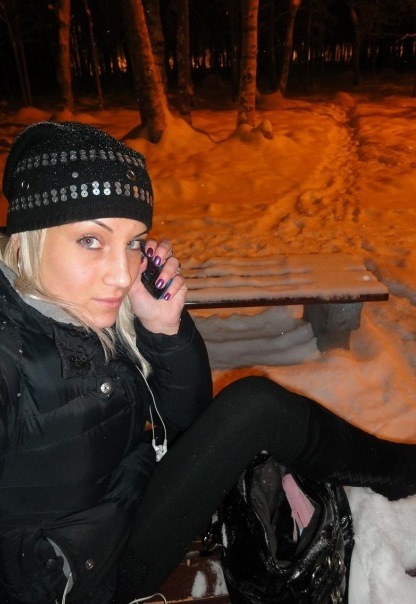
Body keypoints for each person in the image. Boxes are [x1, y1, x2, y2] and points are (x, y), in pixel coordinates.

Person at [0, 121, 415, 604]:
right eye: (91, 240)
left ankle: (402, 471)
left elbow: (186, 417)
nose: (121, 274)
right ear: (31, 234)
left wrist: (163, 329)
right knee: (257, 408)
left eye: (133, 242)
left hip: (125, 504)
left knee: (256, 407)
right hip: (91, 576)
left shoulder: (82, 307)